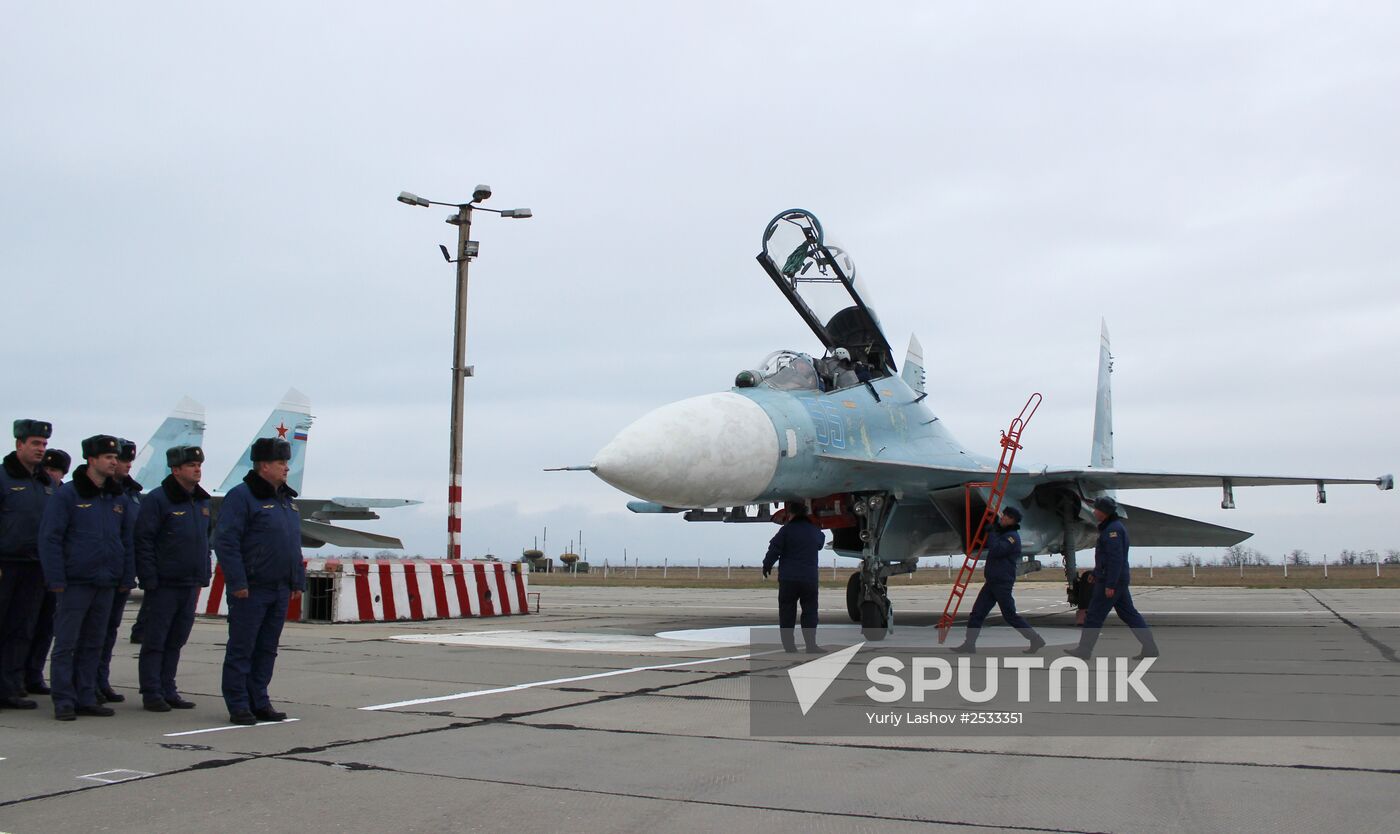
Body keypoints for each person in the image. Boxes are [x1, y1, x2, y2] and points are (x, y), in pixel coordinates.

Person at [39, 435, 135, 720]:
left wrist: (125, 575)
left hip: (106, 581)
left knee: (94, 642)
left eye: (115, 457)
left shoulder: (116, 497)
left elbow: (125, 539)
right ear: (91, 459)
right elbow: (50, 538)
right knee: (67, 643)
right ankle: (64, 699)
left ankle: (86, 694)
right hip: (75, 581)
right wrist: (56, 578)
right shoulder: (68, 495)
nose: (114, 461)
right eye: (108, 457)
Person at [216, 437, 304, 725]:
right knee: (243, 647)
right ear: (264, 466)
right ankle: (238, 703)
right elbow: (226, 542)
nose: (286, 468)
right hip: (251, 589)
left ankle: (259, 700)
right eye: (281, 463)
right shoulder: (241, 497)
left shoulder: (286, 502)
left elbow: (292, 544)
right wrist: (238, 582)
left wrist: (296, 580)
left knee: (267, 648)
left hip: (279, 588)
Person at [134, 446, 211, 712]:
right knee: (156, 639)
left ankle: (168, 688)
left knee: (177, 639)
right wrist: (149, 578)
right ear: (176, 469)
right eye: (191, 465)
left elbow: (204, 541)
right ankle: (151, 691)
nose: (197, 469)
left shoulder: (201, 502)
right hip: (164, 583)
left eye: (199, 464)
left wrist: (204, 572)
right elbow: (144, 540)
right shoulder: (158, 500)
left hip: (190, 583)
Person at [0, 419, 55, 710]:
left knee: (22, 628)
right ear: (19, 444)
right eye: (35, 443)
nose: (41, 449)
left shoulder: (44, 484)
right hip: (6, 565)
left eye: (44, 444)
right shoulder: (3, 478)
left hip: (35, 567)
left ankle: (11, 686)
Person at [1065, 496, 1158, 660]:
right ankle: (1150, 648)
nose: (1094, 512)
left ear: (1104, 512)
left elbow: (1115, 560)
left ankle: (1084, 650)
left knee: (1094, 615)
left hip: (1111, 581)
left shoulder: (1112, 531)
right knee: (1129, 614)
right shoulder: (1112, 528)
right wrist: (1096, 573)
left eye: (1097, 509)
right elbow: (1107, 559)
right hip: (1113, 579)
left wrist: (1110, 584)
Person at [952, 506, 1046, 654]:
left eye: (1005, 516)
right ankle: (969, 644)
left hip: (1002, 582)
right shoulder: (1004, 535)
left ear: (1012, 520)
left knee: (1010, 615)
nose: (1002, 518)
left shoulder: (1011, 537)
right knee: (977, 613)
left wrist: (992, 533)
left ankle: (1035, 639)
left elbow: (997, 550)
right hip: (993, 581)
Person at [94, 438, 141, 704]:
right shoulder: (100, 492)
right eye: (121, 460)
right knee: (90, 633)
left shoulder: (132, 494)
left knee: (109, 631)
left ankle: (101, 680)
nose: (124, 465)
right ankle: (85, 682)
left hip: (120, 574)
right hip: (95, 574)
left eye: (126, 460)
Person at [23, 448, 69, 695]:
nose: (50, 473)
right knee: (23, 624)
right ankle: (16, 675)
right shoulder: (36, 492)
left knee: (46, 627)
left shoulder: (67, 496)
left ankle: (34, 674)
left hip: (55, 570)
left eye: (55, 470)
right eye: (47, 469)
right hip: (29, 566)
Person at [761, 501, 826, 653]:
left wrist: (767, 565)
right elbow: (820, 543)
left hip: (788, 579)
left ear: (790, 514)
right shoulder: (814, 531)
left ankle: (789, 646)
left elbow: (774, 549)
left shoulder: (786, 531)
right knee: (810, 612)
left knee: (787, 612)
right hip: (809, 579)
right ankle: (811, 645)